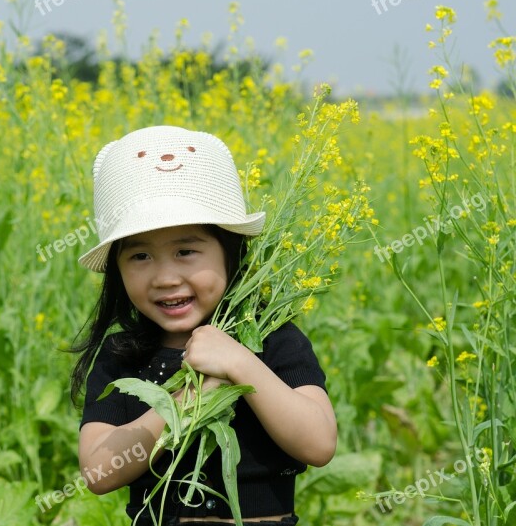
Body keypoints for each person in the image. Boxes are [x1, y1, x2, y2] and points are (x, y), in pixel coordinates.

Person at [70, 125, 337, 525]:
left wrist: (240, 364)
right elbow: (98, 472)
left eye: (186, 251)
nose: (164, 277)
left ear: (231, 251)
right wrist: (188, 398)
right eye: (140, 256)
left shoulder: (273, 340)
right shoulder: (122, 355)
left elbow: (318, 444)